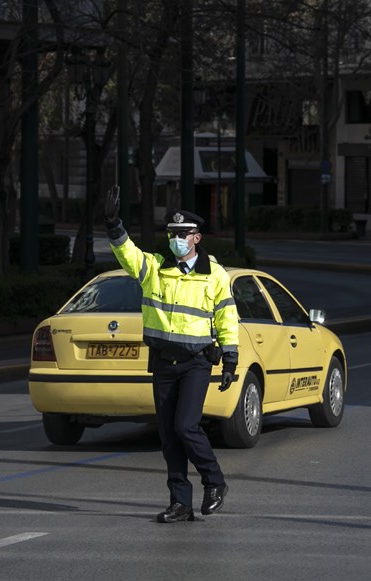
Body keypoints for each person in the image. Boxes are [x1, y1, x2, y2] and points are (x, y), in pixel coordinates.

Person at [103, 186, 239, 523]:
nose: (176, 239)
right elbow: (127, 254)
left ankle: (215, 482)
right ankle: (180, 503)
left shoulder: (214, 275)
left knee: (185, 427)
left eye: (182, 234)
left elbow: (226, 316)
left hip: (195, 362)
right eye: (172, 233)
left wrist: (231, 359)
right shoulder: (154, 267)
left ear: (196, 237)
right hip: (164, 361)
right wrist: (113, 224)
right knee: (168, 436)